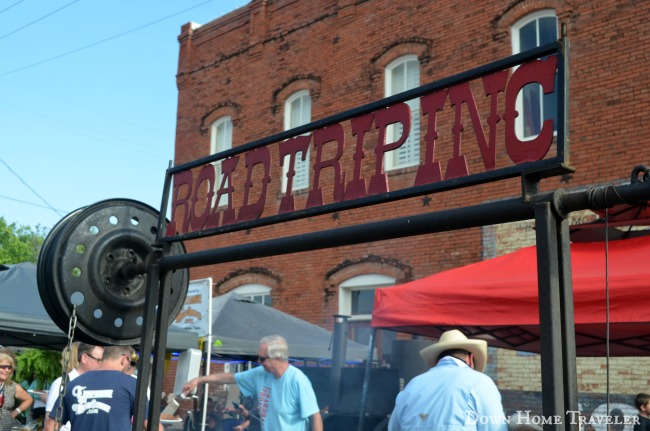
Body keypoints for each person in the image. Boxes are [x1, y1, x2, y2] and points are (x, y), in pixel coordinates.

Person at [182, 335, 322, 431]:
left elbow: (315, 417)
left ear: (277, 358)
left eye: (262, 359)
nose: (258, 362)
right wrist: (198, 380)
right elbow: (230, 378)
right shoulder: (261, 373)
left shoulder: (298, 380)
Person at [387, 329, 508, 431]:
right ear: (471, 359)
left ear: (436, 361)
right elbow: (495, 427)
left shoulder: (412, 386)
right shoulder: (480, 382)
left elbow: (393, 428)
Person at [48, 345, 161, 431]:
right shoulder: (133, 385)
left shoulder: (72, 384)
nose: (129, 366)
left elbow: (50, 427)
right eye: (129, 363)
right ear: (123, 359)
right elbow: (152, 426)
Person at [44, 342, 103, 431]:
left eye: (102, 361)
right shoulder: (61, 383)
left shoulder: (98, 384)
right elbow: (49, 422)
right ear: (84, 358)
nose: (101, 364)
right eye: (98, 360)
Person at [0, 352, 34, 431]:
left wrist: (15, 413)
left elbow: (29, 399)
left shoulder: (12, 386)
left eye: (9, 367)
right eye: (3, 367)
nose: (7, 370)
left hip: (5, 426)